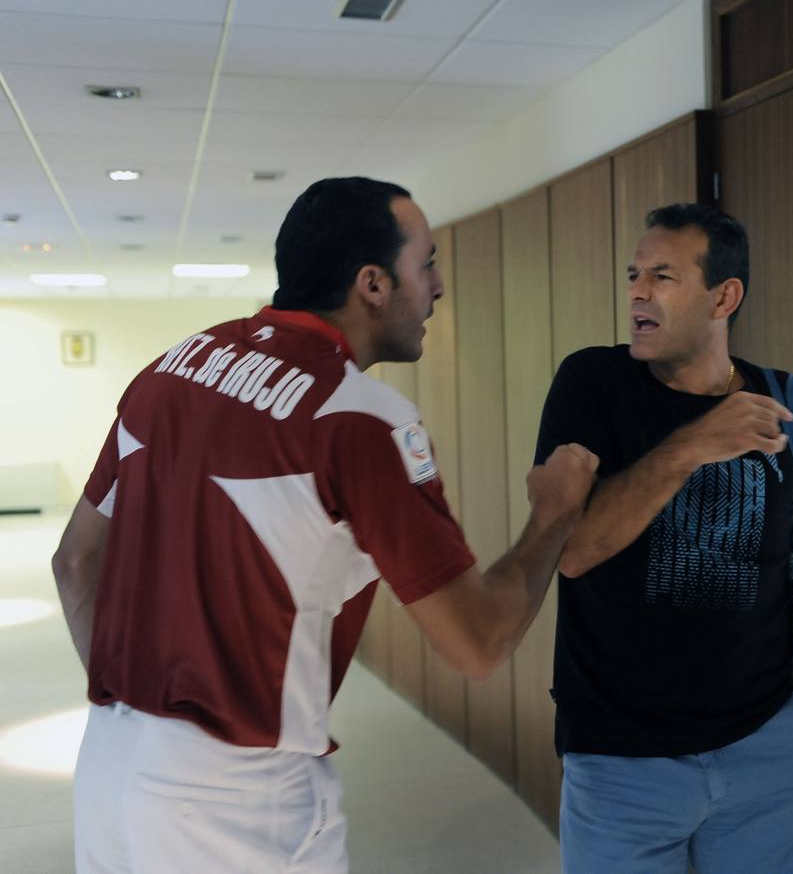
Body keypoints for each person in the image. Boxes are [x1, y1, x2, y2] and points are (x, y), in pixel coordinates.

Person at [50, 176, 598, 873]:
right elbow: (478, 641)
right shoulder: (360, 419)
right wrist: (552, 516)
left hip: (106, 764)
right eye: (425, 263)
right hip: (236, 798)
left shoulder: (169, 369)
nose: (437, 287)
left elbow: (74, 565)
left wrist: (142, 710)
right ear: (373, 283)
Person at [535, 203, 793, 872]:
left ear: (723, 296)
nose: (638, 292)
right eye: (634, 274)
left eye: (663, 276)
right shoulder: (592, 384)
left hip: (770, 747)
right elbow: (573, 550)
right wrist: (691, 445)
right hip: (621, 757)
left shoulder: (792, 404)